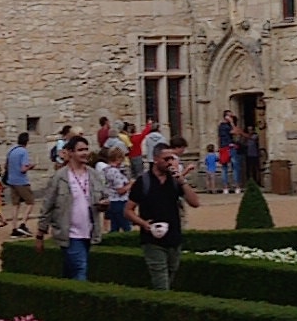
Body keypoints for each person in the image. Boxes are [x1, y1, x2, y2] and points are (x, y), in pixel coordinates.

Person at [125, 137, 199, 291]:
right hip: (152, 240)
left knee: (170, 275)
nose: (170, 162)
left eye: (172, 158)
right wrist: (144, 224)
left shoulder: (175, 181)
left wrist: (182, 181)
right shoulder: (143, 182)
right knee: (161, 280)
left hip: (174, 237)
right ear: (156, 159)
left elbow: (195, 203)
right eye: (166, 159)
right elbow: (128, 210)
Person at [35, 134, 103, 279]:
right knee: (80, 268)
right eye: (80, 150)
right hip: (70, 233)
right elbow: (47, 205)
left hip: (89, 231)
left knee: (70, 269)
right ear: (71, 152)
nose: (85, 153)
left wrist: (104, 204)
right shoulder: (60, 177)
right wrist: (40, 234)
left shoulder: (94, 175)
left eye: (86, 149)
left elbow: (103, 196)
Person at [5, 130, 36, 236]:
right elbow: (23, 169)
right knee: (30, 202)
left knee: (15, 205)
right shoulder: (23, 152)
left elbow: (6, 166)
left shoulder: (11, 150)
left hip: (11, 180)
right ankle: (23, 224)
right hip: (21, 181)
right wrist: (30, 166)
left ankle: (14, 228)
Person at [100, 140, 132, 231]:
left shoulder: (107, 170)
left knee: (115, 227)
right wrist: (131, 184)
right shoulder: (115, 172)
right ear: (118, 158)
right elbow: (120, 190)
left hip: (112, 201)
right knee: (126, 227)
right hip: (119, 202)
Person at [217, 110, 239, 192]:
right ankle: (235, 186)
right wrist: (232, 123)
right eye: (230, 116)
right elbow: (235, 132)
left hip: (224, 147)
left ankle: (226, 187)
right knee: (233, 167)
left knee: (225, 168)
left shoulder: (221, 126)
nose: (231, 118)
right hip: (229, 147)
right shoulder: (225, 126)